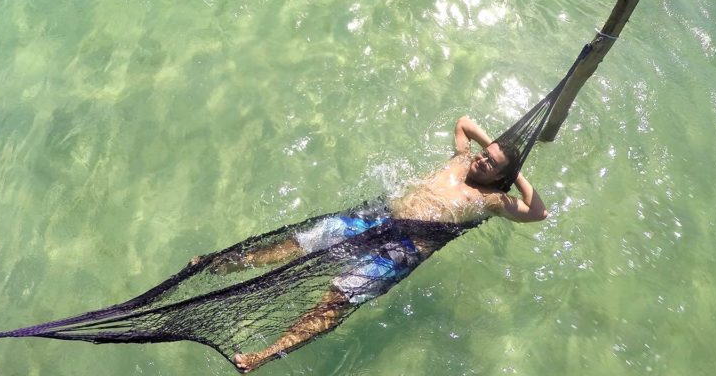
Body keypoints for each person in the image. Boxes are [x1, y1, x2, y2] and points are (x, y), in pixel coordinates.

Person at [227, 115, 547, 372]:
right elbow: (464, 122)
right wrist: (494, 153)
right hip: (376, 218)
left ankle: (265, 355)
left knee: (335, 302)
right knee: (301, 243)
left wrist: (514, 176)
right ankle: (236, 263)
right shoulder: (461, 160)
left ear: (499, 178)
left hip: (401, 252)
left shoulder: (490, 199)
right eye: (485, 154)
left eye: (491, 164)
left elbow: (538, 212)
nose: (482, 161)